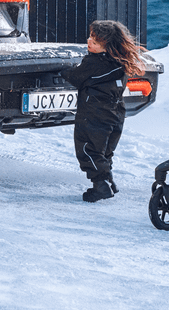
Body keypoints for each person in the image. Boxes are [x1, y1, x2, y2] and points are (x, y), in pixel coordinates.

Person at [61, 19, 146, 202]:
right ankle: (108, 181)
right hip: (115, 113)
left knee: (88, 149)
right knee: (105, 150)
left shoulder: (93, 62)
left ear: (107, 47)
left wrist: (64, 69)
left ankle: (101, 186)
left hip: (94, 113)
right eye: (91, 37)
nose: (89, 42)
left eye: (95, 42)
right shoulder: (121, 63)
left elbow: (76, 77)